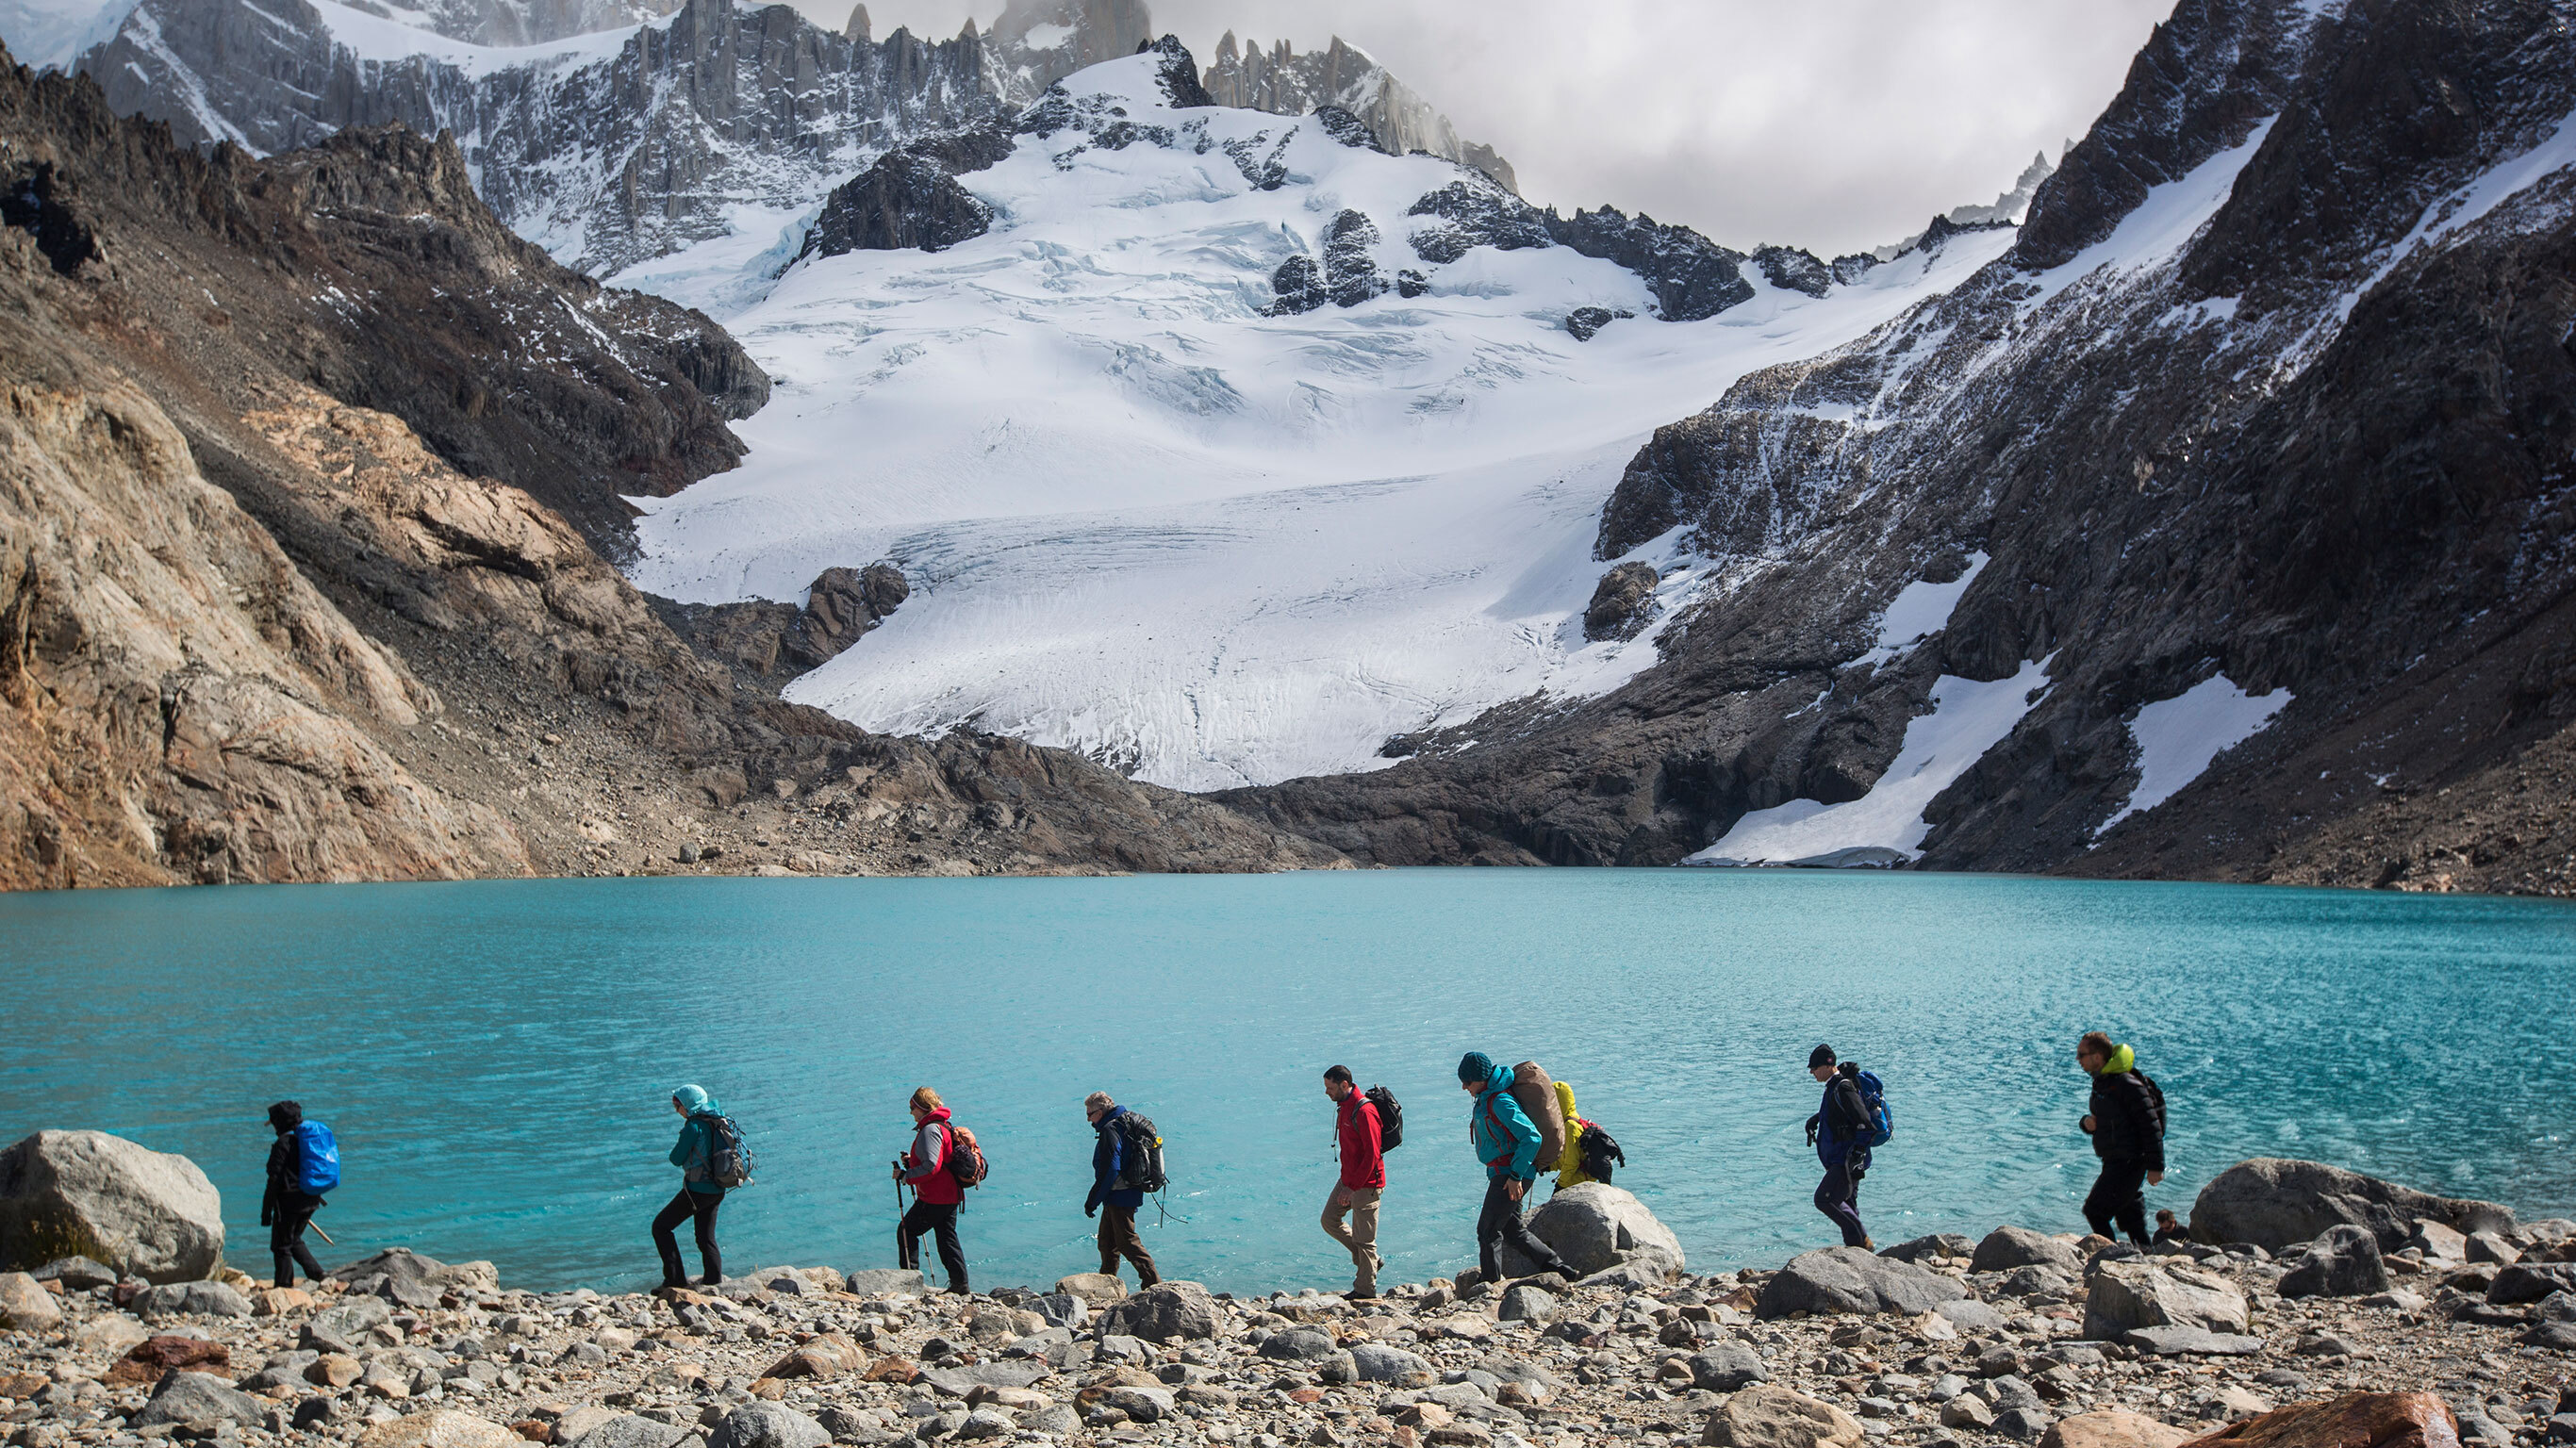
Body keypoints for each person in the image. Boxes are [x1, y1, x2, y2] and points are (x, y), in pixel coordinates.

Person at [1459, 1052, 1573, 1285]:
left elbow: (1532, 1137)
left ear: (1480, 1078)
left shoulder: (1500, 1101)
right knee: (1513, 1231)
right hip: (1506, 1172)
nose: (1464, 1087)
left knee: (1487, 1231)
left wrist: (1515, 1175)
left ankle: (1489, 1286)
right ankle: (1563, 1271)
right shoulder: (1486, 1096)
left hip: (1510, 1173)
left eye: (1467, 1082)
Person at [2077, 1031, 2166, 1248]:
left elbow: (2150, 1125)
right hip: (2114, 1158)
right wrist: (2086, 1123)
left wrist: (2156, 1166)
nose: (2078, 1060)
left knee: (2095, 1210)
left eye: (2081, 1055)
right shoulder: (2103, 1082)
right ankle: (2146, 1253)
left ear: (2097, 1057)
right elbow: (2110, 1121)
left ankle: (2109, 1256)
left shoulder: (2127, 1084)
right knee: (2129, 1216)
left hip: (2130, 1161)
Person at [1083, 1092, 1161, 1287]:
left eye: (1089, 1114)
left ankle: (1154, 1284)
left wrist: (1093, 1199)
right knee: (1107, 1243)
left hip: (1120, 1193)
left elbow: (1111, 1168)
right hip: (1122, 1192)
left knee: (1127, 1241)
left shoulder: (1111, 1129)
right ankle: (1106, 1285)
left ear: (1100, 1112)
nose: (1088, 1119)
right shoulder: (1124, 1122)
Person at [895, 1087, 968, 1294]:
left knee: (906, 1231)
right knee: (947, 1239)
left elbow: (932, 1167)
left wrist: (905, 1176)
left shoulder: (930, 1130)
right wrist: (911, 1163)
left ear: (921, 1107)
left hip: (936, 1197)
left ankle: (909, 1283)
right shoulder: (941, 1125)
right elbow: (936, 1160)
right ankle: (960, 1286)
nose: (910, 1113)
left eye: (912, 1108)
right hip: (950, 1194)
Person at [654, 1084, 728, 1289]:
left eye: (677, 1106)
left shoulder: (693, 1127)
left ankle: (674, 1280)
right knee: (706, 1237)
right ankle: (714, 1282)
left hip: (698, 1191)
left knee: (661, 1227)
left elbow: (675, 1158)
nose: (677, 1110)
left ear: (687, 1105)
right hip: (718, 1188)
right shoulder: (716, 1120)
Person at [1321, 1066, 1385, 1298]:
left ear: (1344, 1085)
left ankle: (1365, 1290)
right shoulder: (1344, 1107)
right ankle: (1371, 1262)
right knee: (1329, 1220)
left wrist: (1353, 1186)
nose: (1327, 1092)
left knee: (1365, 1239)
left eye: (1330, 1088)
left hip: (1367, 1183)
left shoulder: (1365, 1111)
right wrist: (1347, 1183)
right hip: (1348, 1179)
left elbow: (1373, 1154)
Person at [1804, 1045, 1874, 1250]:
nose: (1811, 1072)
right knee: (1848, 1204)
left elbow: (1864, 1123)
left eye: (1814, 1067)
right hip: (1839, 1157)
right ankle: (1856, 1250)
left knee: (1824, 1199)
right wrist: (1816, 1119)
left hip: (1846, 1159)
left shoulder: (1843, 1087)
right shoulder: (1833, 1087)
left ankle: (1863, 1240)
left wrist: (1858, 1154)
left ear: (1828, 1064)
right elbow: (1838, 1114)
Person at [259, 1101, 327, 1290]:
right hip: (311, 1199)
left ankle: (282, 1288)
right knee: (293, 1239)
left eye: (273, 1123)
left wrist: (266, 1212)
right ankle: (319, 1274)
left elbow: (274, 1180)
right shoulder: (306, 1140)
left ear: (279, 1122)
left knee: (281, 1246)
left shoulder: (283, 1143)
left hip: (290, 1203)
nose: (273, 1127)